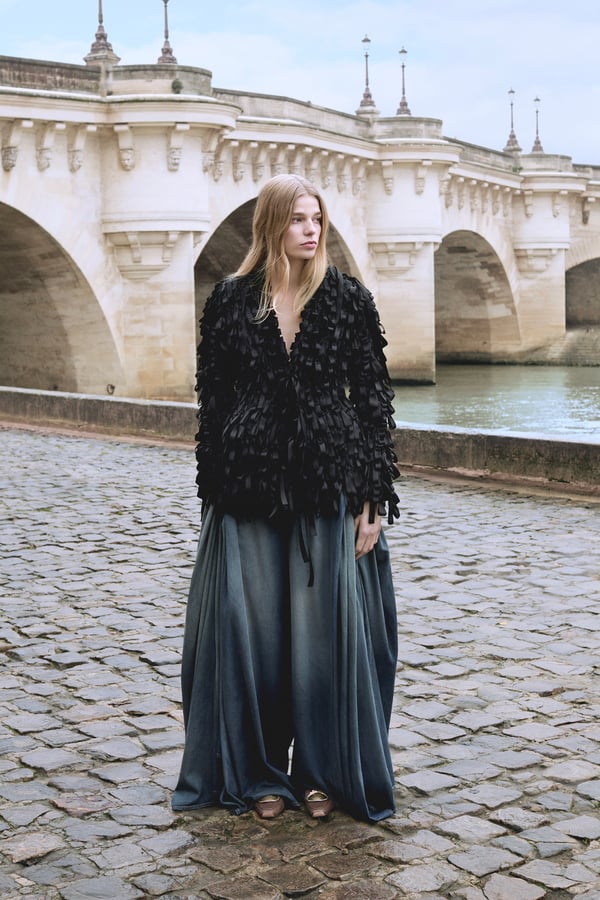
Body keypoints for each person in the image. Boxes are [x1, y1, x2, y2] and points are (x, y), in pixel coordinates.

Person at [172, 173, 400, 823]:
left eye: (317, 219)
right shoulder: (230, 301)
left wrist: (373, 499)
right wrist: (213, 493)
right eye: (299, 218)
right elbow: (214, 405)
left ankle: (322, 772)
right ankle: (257, 773)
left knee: (323, 645)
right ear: (272, 224)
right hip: (246, 494)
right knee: (254, 642)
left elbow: (374, 404)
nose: (311, 229)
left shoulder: (349, 300)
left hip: (328, 488)